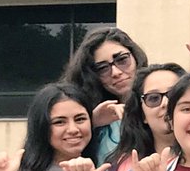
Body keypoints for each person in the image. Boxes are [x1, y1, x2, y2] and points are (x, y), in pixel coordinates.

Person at [61, 27, 149, 162]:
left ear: (136, 57)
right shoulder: (90, 114)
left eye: (122, 60)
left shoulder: (161, 102)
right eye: (102, 68)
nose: (116, 72)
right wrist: (90, 123)